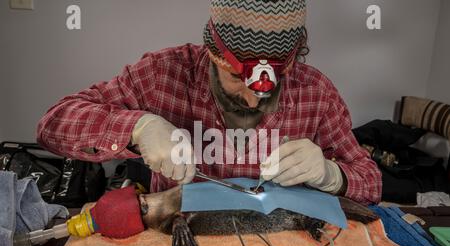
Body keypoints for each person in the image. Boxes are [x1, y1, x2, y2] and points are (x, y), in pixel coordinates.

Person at [37, 0, 382, 205]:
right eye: (237, 78)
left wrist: (330, 174)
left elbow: (371, 181)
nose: (253, 98)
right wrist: (139, 127)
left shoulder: (316, 92)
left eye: (269, 84)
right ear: (213, 55)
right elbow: (54, 124)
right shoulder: (164, 74)